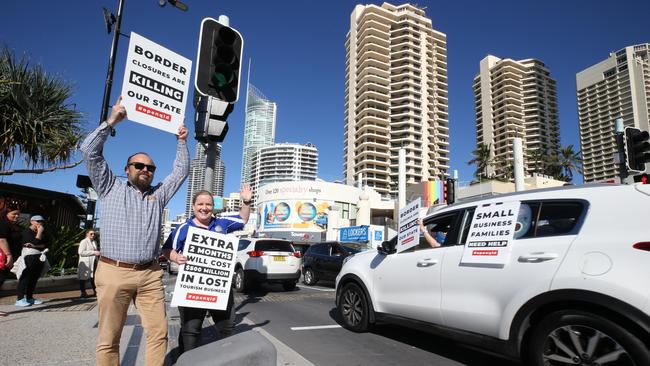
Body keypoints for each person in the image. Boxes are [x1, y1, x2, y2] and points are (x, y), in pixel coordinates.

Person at [79, 96, 189, 366]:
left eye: (150, 167)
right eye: (139, 165)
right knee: (109, 339)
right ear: (126, 169)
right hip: (114, 272)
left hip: (150, 274)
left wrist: (182, 141)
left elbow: (181, 171)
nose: (145, 170)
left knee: (159, 334)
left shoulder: (158, 195)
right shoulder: (109, 186)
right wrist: (111, 121)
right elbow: (88, 151)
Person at [162, 186, 252, 356]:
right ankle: (186, 361)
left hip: (219, 288)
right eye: (200, 204)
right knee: (191, 332)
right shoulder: (183, 228)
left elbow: (243, 219)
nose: (204, 208)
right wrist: (175, 257)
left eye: (208, 204)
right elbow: (167, 250)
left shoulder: (221, 223)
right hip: (193, 288)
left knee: (228, 329)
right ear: (194, 206)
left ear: (213, 207)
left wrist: (246, 201)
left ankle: (227, 360)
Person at [15, 215, 50, 307]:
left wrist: (36, 245)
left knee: (34, 277)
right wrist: (39, 233)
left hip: (39, 256)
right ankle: (20, 299)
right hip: (29, 256)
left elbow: (46, 244)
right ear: (32, 221)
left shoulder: (42, 232)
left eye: (42, 221)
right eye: (38, 221)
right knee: (25, 277)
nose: (40, 223)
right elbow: (34, 243)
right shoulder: (27, 232)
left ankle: (29, 297)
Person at [0, 202, 21, 316]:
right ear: (6, 213)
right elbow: (2, 240)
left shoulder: (11, 225)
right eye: (14, 214)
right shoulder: (3, 224)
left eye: (18, 214)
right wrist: (9, 255)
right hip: (3, 257)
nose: (17, 216)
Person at [78, 229, 100, 298]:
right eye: (91, 234)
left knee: (93, 277)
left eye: (94, 234)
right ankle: (83, 293)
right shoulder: (84, 242)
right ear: (87, 234)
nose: (93, 235)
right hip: (85, 263)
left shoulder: (94, 242)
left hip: (93, 262)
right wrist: (93, 252)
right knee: (83, 278)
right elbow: (80, 252)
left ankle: (95, 292)